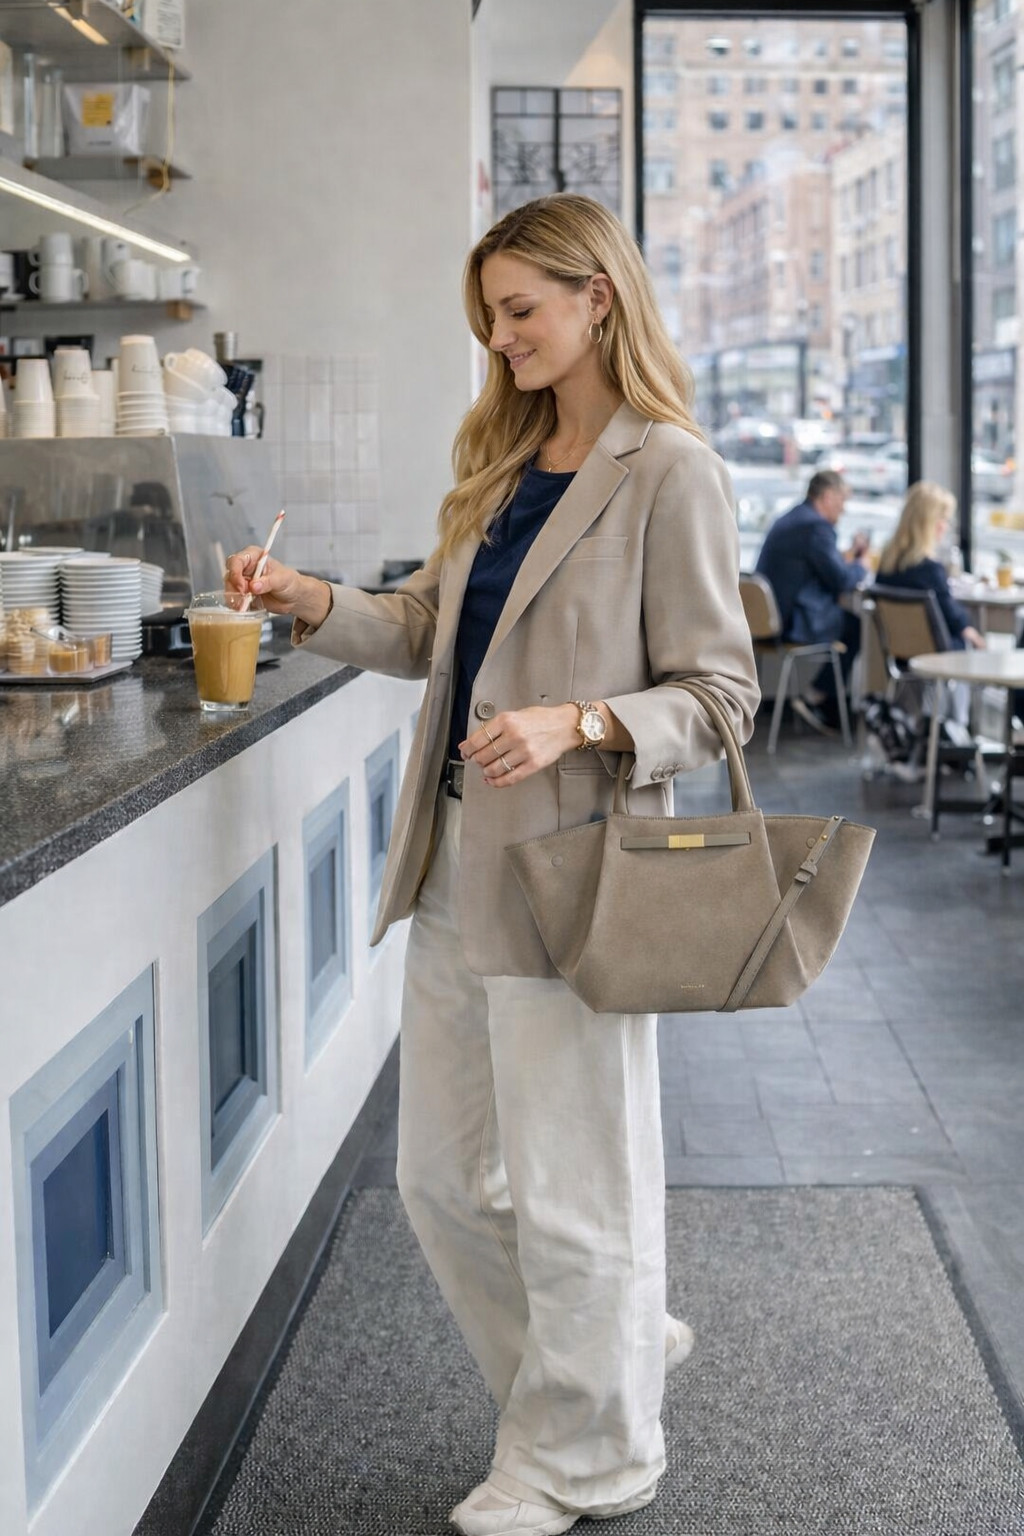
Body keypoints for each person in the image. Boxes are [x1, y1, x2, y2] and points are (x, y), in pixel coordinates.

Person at [227, 193, 758, 1536]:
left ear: (599, 300)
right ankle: (608, 1363)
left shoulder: (669, 471)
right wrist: (306, 602)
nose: (501, 337)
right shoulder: (504, 462)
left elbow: (720, 695)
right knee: (442, 1181)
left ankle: (591, 1455)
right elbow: (425, 632)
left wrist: (579, 721)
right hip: (460, 852)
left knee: (581, 1184)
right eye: (490, 316)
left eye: (520, 310)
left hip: (580, 865)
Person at [754, 468, 868, 735]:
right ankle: (819, 698)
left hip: (768, 619)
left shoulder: (795, 519)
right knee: (858, 627)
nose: (843, 509)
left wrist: (846, 558)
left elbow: (822, 565)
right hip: (791, 621)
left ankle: (819, 698)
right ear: (827, 497)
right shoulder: (816, 527)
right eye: (842, 500)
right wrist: (862, 564)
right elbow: (840, 580)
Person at [874, 480, 984, 650]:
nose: (946, 527)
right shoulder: (931, 571)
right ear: (931, 522)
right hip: (936, 655)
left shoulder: (886, 565)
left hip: (897, 656)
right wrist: (970, 629)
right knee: (971, 638)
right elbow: (952, 617)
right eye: (944, 519)